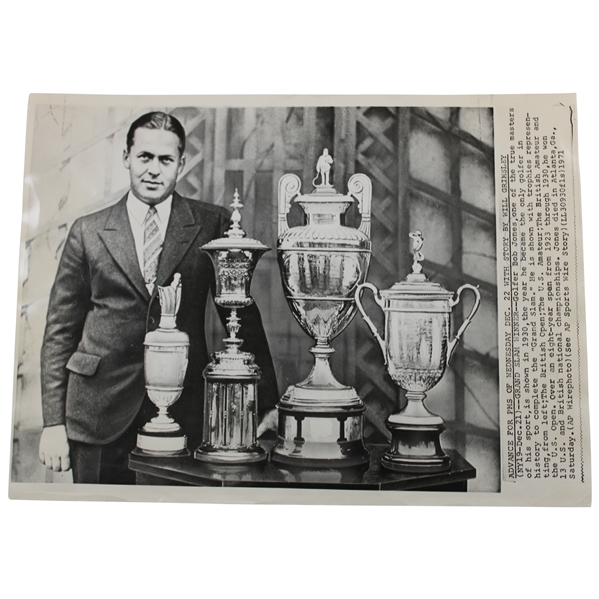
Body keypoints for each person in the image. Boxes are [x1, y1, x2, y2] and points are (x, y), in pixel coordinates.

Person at [38, 111, 278, 484]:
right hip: (97, 413)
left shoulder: (210, 224)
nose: (153, 169)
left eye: (165, 160)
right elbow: (59, 332)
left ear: (181, 164)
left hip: (184, 410)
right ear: (126, 158)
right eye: (144, 157)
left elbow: (241, 314)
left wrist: (265, 402)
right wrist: (53, 422)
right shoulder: (87, 232)